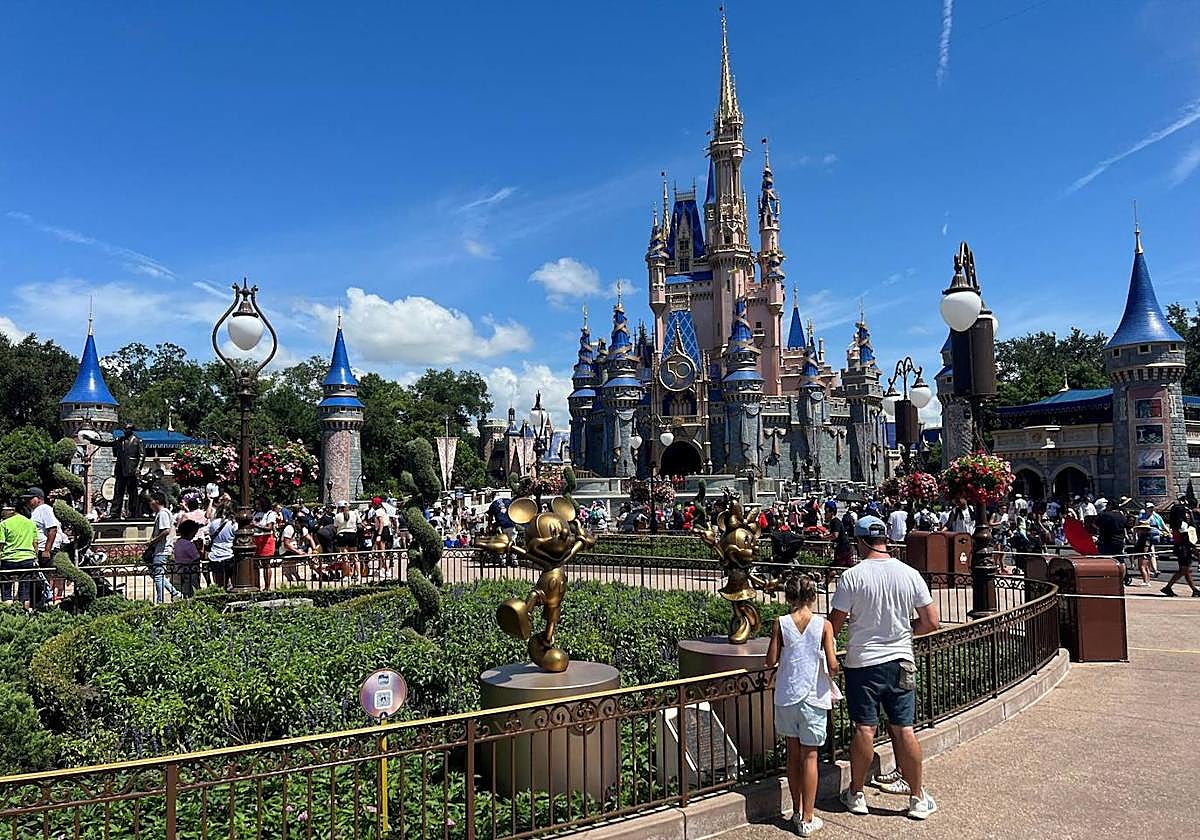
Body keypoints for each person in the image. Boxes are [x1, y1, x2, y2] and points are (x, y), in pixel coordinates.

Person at [830, 516, 940, 821]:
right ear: (885, 540)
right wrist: (905, 631)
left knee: (865, 728)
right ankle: (917, 798)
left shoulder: (852, 576)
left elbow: (834, 624)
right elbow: (931, 622)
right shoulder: (909, 574)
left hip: (863, 663)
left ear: (860, 541)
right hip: (901, 659)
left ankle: (856, 794)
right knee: (904, 728)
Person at [765, 575, 838, 837]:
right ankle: (808, 817)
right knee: (810, 757)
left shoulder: (781, 623)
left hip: (787, 694)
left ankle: (796, 810)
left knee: (792, 755)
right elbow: (832, 664)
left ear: (789, 597)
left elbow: (770, 660)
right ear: (813, 596)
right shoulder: (824, 625)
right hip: (813, 696)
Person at [83, 424, 145, 519]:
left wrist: (138, 468)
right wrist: (91, 440)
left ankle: (133, 513)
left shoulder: (138, 441)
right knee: (118, 492)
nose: (124, 431)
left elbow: (142, 456)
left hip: (131, 470)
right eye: (124, 429)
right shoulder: (120, 440)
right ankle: (114, 513)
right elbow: (106, 443)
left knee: (132, 493)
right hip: (120, 470)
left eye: (126, 429)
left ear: (131, 430)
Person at [0, 494, 39, 609]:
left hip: (9, 559)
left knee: (6, 589)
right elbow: (35, 543)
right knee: (25, 590)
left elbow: (1, 543)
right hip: (27, 558)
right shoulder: (30, 523)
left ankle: (8, 612)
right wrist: (35, 556)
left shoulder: (4, 523)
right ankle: (25, 612)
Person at [1162, 496, 1200, 597]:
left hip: (1184, 547)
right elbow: (1186, 538)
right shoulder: (1181, 525)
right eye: (1186, 513)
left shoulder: (1182, 524)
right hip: (1183, 547)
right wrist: (1193, 547)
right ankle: (1168, 587)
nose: (1187, 515)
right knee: (1184, 569)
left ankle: (1194, 589)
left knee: (1186, 570)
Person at [146, 491, 180, 604]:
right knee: (158, 574)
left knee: (158, 576)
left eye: (151, 501)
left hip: (162, 549)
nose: (149, 504)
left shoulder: (163, 513)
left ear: (157, 501)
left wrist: (152, 541)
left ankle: (160, 601)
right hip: (161, 549)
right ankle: (174, 593)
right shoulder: (162, 513)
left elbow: (166, 531)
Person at [207, 499, 237, 589]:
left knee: (219, 584)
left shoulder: (213, 523)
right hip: (229, 554)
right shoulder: (233, 524)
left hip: (215, 555)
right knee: (233, 583)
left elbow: (211, 535)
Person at [252, 496, 278, 590]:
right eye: (256, 504)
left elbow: (269, 527)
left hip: (265, 539)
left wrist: (256, 525)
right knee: (255, 563)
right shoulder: (254, 513)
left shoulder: (270, 514)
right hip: (255, 539)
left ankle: (267, 587)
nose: (257, 506)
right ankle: (256, 586)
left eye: (259, 504)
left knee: (266, 563)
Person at [173, 518, 202, 597]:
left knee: (185, 589)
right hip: (191, 570)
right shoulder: (189, 544)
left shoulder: (178, 543)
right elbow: (197, 557)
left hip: (181, 570)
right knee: (193, 590)